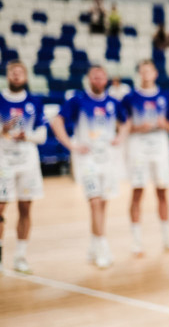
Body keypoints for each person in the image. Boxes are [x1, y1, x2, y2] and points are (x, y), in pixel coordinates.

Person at [50, 64, 125, 269]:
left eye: (102, 77)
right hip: (87, 159)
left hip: (107, 159)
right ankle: (103, 248)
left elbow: (126, 123)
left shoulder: (112, 102)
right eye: (94, 77)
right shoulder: (78, 100)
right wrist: (71, 144)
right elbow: (56, 121)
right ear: (88, 79)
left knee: (103, 204)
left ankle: (94, 245)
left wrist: (120, 137)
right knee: (94, 202)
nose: (98, 81)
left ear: (107, 79)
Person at [0, 61, 46, 278]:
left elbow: (42, 136)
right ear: (8, 75)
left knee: (25, 209)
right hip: (3, 163)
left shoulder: (35, 101)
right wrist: (2, 128)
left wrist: (28, 136)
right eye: (13, 73)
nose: (16, 76)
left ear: (25, 76)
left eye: (20, 73)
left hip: (27, 163)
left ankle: (21, 257)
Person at [120, 60, 169, 256]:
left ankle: (167, 239)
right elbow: (122, 127)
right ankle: (136, 242)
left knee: (162, 191)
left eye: (149, 70)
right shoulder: (129, 98)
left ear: (155, 73)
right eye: (143, 70)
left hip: (160, 146)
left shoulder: (165, 96)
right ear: (139, 73)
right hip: (138, 146)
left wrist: (165, 124)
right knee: (137, 191)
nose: (146, 74)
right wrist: (137, 127)